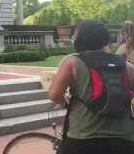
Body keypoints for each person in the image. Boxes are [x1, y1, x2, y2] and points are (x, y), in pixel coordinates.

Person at [49, 20, 134, 154]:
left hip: (83, 137)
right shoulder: (126, 66)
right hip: (123, 138)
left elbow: (54, 95)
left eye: (75, 34)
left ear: (81, 38)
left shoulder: (72, 61)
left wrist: (65, 102)